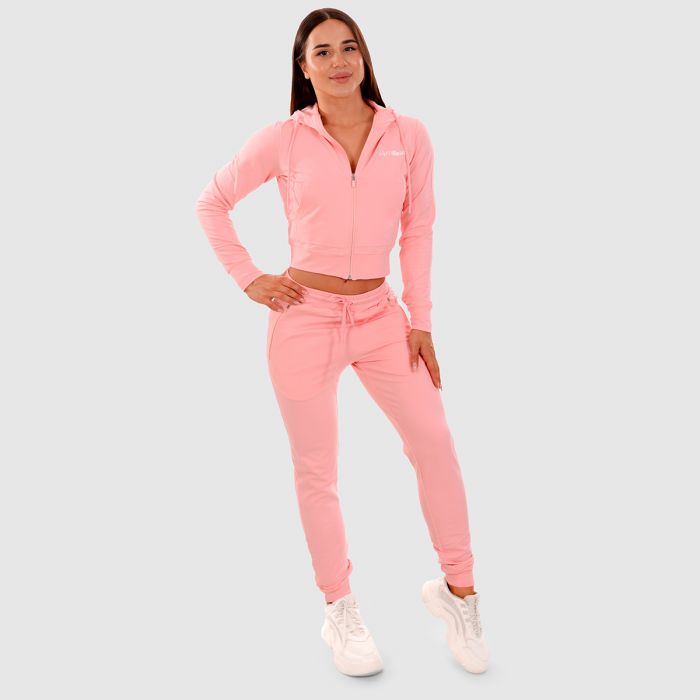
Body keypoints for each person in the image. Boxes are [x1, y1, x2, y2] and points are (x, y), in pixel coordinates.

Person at [195, 8, 489, 677]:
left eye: (349, 47)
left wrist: (421, 320)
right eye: (322, 52)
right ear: (303, 68)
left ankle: (461, 593)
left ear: (365, 58)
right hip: (305, 317)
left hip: (383, 319)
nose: (338, 61)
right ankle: (341, 609)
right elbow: (212, 202)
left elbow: (419, 229)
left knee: (435, 443)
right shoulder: (284, 138)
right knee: (317, 470)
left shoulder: (407, 135)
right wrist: (248, 277)